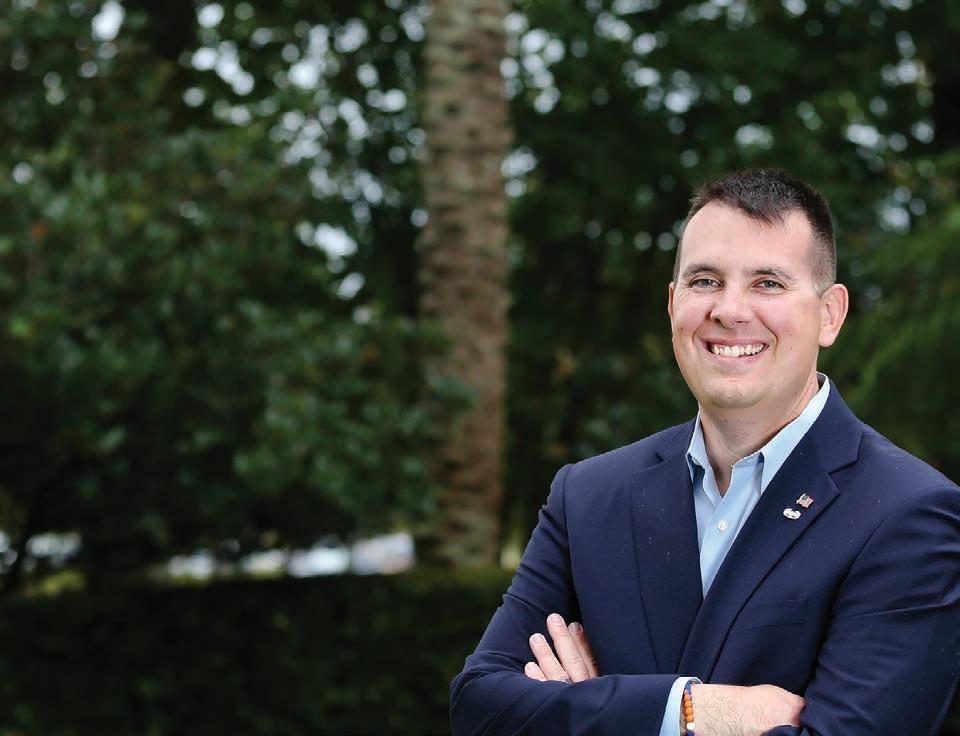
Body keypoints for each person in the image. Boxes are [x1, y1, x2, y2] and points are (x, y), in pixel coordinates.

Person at [450, 168, 960, 736]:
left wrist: (586, 706)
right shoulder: (588, 496)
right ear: (673, 304)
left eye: (768, 283)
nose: (730, 310)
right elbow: (481, 708)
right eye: (705, 281)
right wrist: (692, 710)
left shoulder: (909, 513)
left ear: (830, 314)